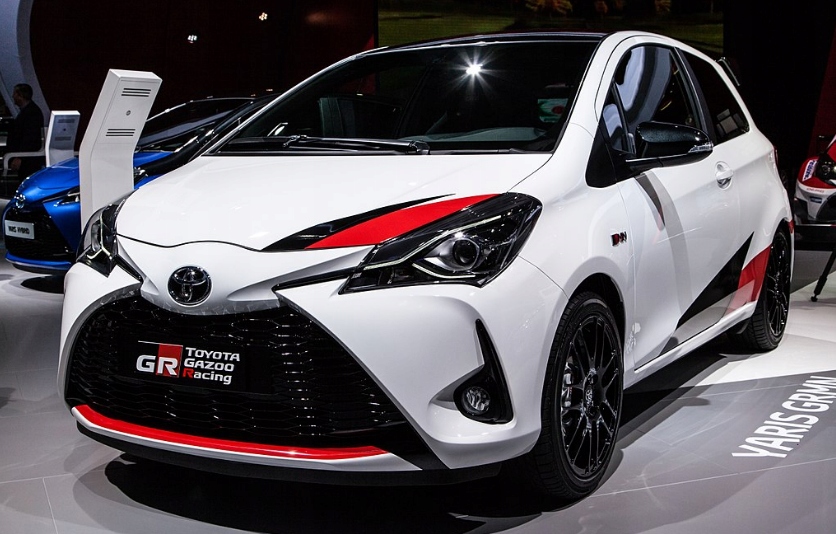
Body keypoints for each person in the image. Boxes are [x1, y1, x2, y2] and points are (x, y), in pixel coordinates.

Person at [6, 83, 45, 179]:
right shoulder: (29, 111)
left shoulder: (31, 113)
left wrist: (20, 157)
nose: (13, 96)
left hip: (28, 161)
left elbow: (30, 138)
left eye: (15, 93)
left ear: (21, 95)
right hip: (25, 159)